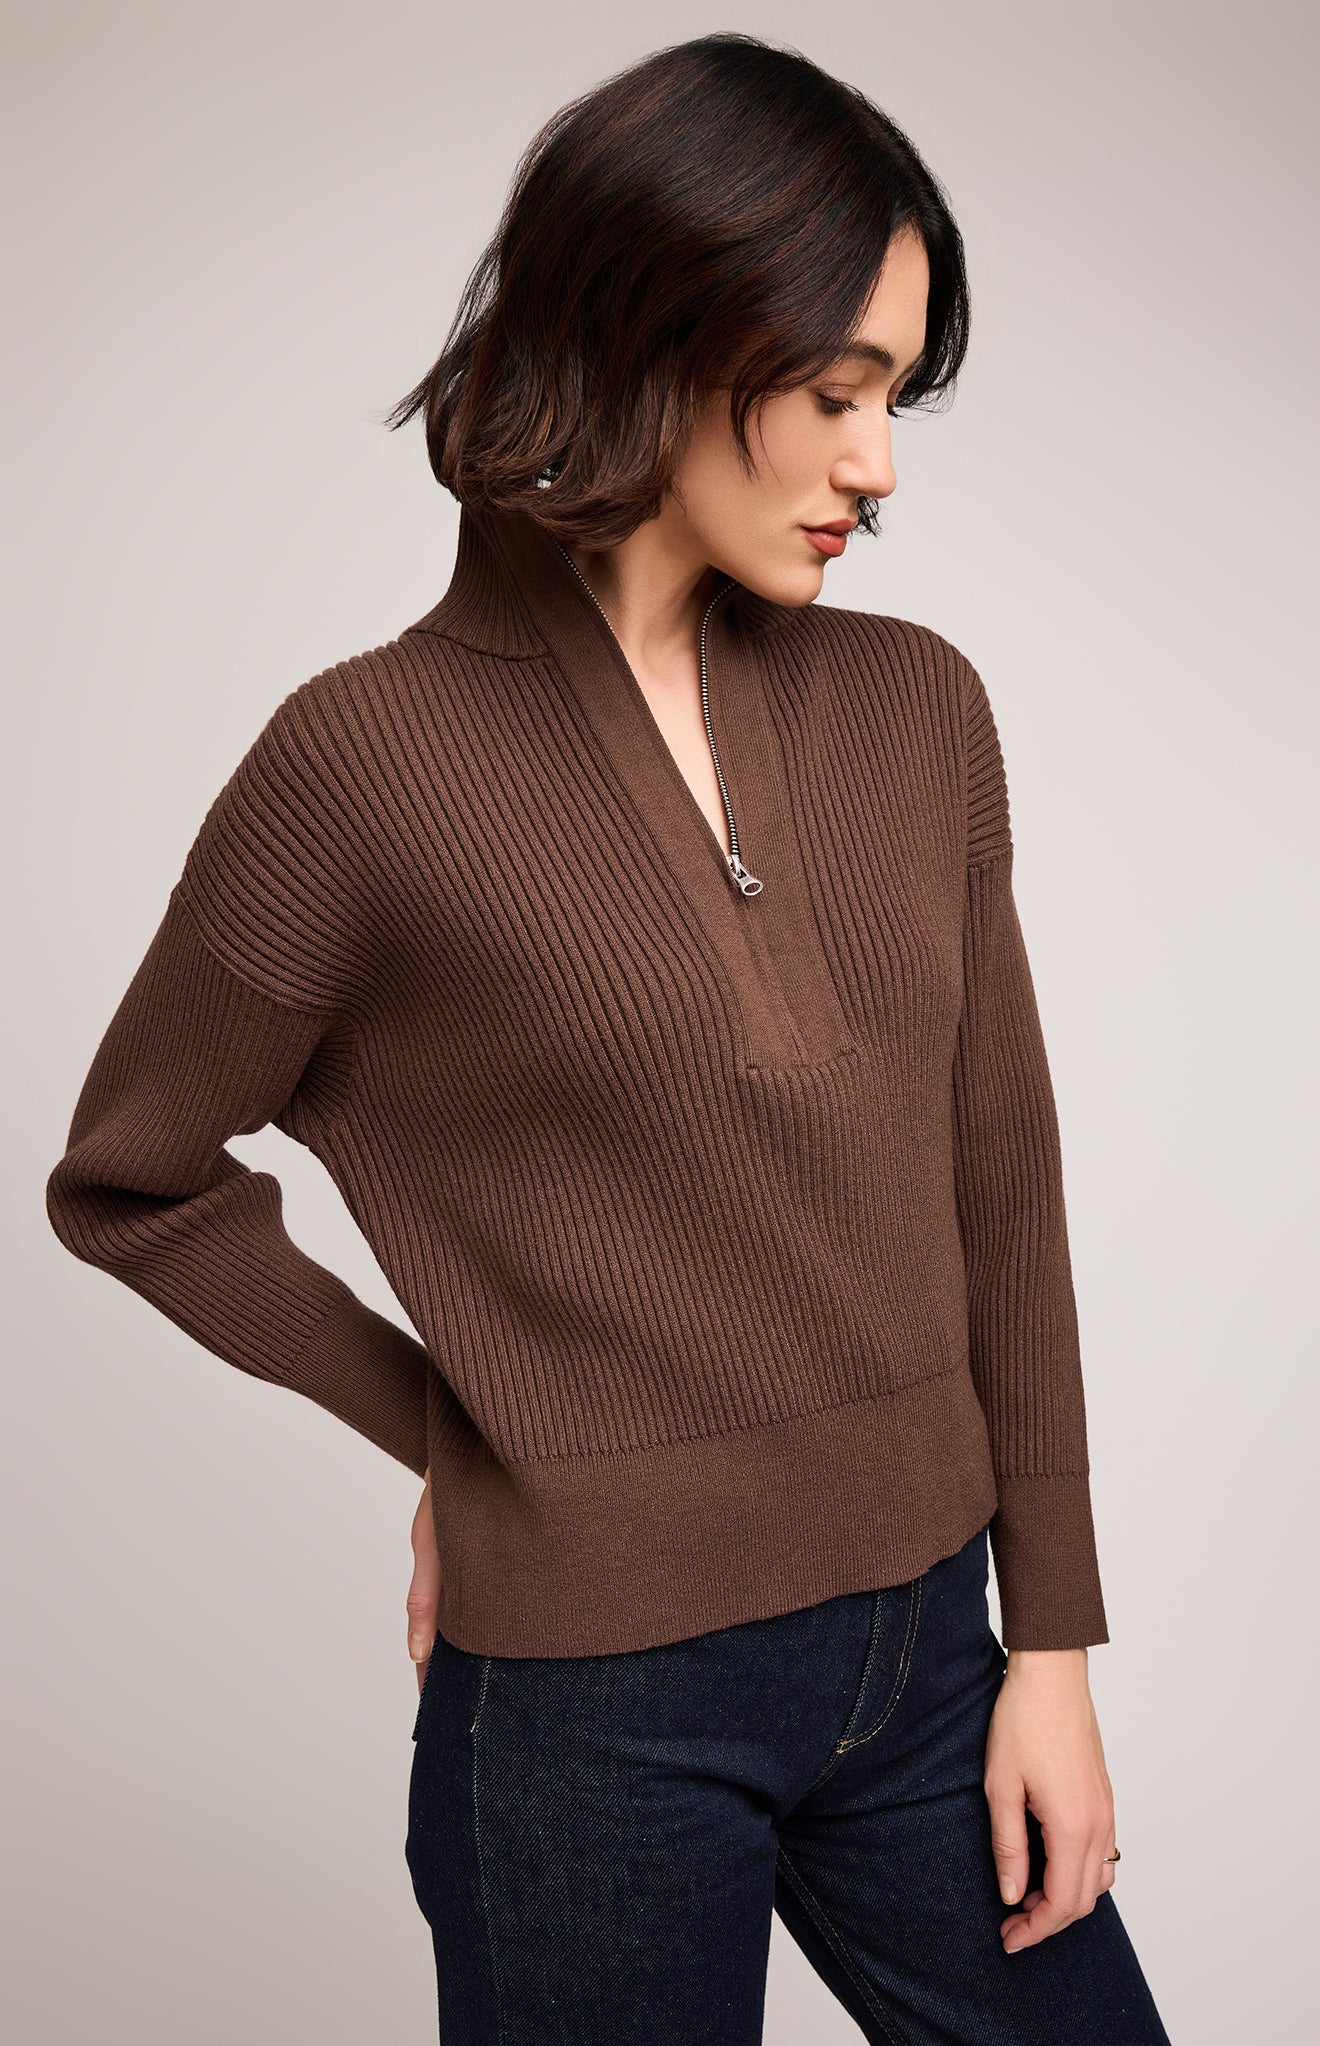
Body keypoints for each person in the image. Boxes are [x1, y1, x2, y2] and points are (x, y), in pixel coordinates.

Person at [45, 30, 1173, 2045]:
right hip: (591, 1715)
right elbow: (130, 1180)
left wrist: (1056, 1644)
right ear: (663, 332)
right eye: (835, 391)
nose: (880, 466)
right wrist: (466, 1434)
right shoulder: (360, 767)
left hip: (936, 1658)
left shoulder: (922, 710)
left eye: (896, 399)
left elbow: (1003, 1177)